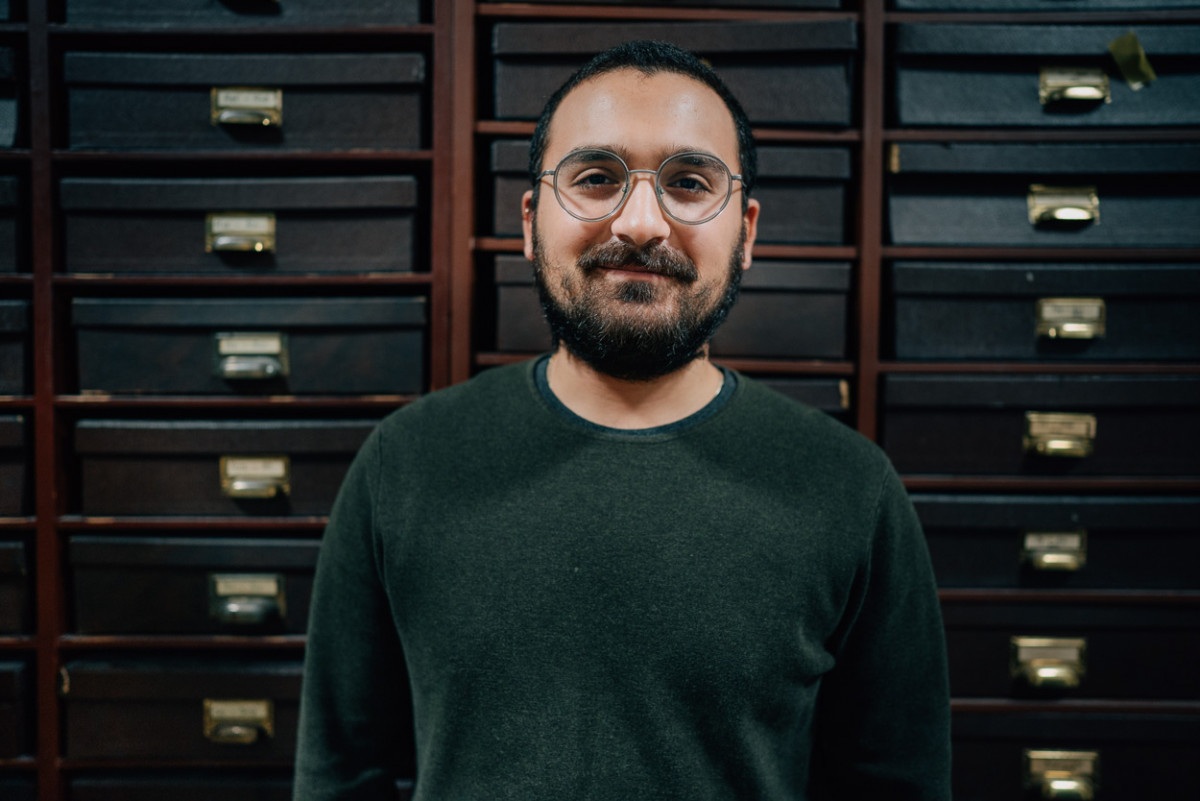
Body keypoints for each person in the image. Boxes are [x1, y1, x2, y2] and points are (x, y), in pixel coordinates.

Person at [294, 40, 951, 801]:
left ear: (746, 232)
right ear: (530, 219)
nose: (641, 222)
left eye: (690, 182)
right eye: (598, 178)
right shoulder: (404, 464)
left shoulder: (850, 490)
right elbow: (340, 776)